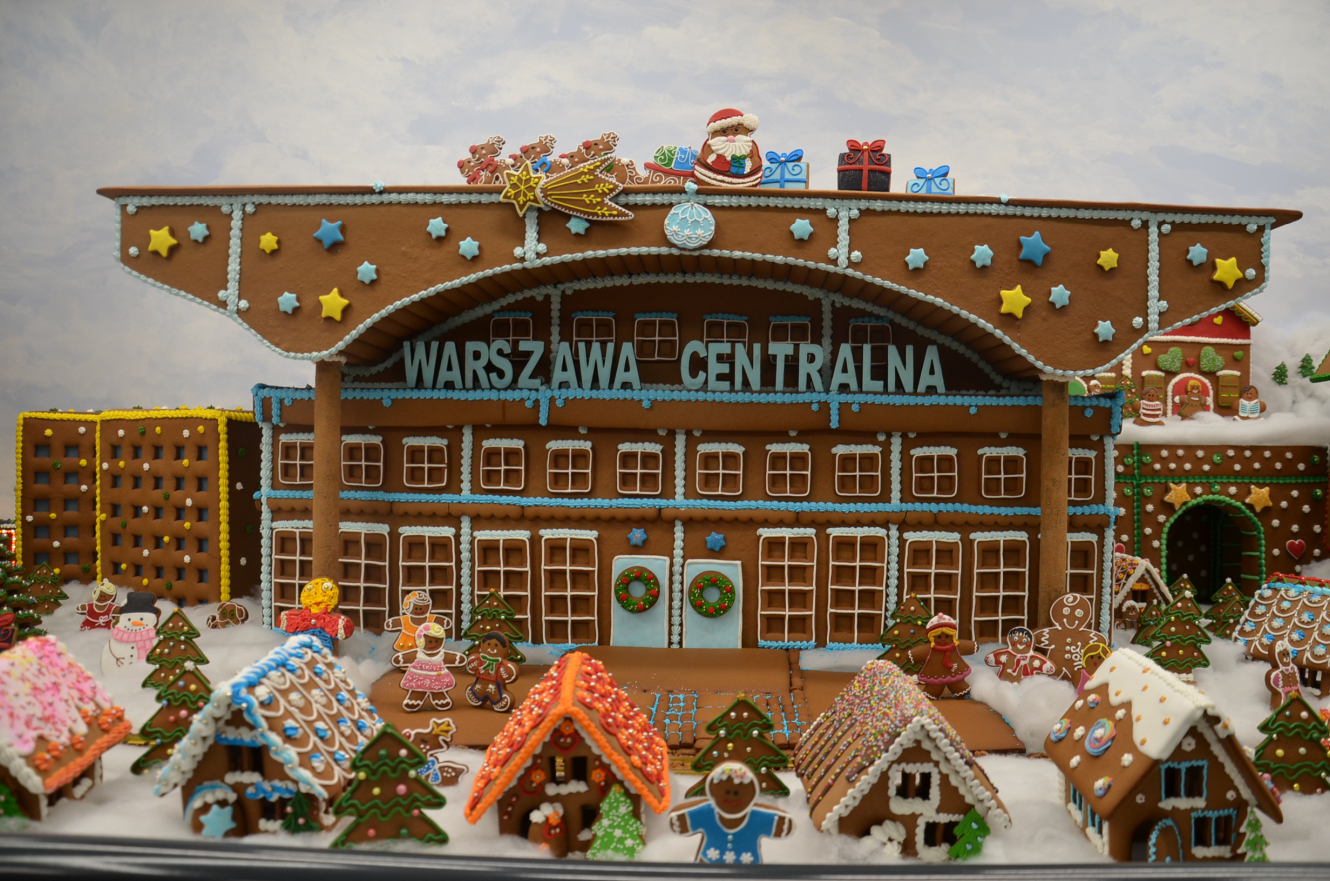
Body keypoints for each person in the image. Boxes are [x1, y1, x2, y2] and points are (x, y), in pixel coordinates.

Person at [669, 762, 792, 864]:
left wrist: (782, 824)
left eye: (737, 793)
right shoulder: (707, 812)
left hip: (748, 865)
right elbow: (684, 822)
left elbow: (779, 825)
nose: (731, 796)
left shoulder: (756, 816)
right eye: (726, 791)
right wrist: (680, 821)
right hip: (709, 863)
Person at [397, 621, 466, 712]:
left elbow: (450, 657)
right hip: (419, 677)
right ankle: (414, 700)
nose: (434, 644)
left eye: (437, 641)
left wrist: (458, 658)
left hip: (437, 677)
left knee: (438, 688)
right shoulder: (418, 654)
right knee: (418, 689)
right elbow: (407, 656)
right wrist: (400, 658)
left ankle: (440, 700)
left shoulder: (441, 654)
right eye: (430, 641)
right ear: (421, 641)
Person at [909, 613, 977, 698]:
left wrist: (974, 646)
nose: (943, 639)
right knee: (934, 686)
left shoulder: (956, 646)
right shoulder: (930, 649)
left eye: (947, 636)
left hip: (954, 673)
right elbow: (918, 653)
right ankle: (931, 692)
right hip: (936, 674)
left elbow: (968, 646)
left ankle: (961, 689)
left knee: (958, 684)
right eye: (939, 637)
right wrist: (912, 655)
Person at [693, 109, 763, 188]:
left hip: (748, 182)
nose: (731, 138)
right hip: (710, 179)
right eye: (724, 132)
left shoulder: (751, 152)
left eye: (736, 130)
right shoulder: (709, 153)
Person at [101, 590, 161, 674]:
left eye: (141, 619)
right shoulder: (116, 637)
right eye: (129, 619)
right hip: (117, 674)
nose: (134, 623)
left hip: (144, 675)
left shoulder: (153, 638)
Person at [464, 631, 520, 712]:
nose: (491, 648)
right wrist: (472, 665)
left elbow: (510, 673)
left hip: (495, 685)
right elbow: (471, 665)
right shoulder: (478, 659)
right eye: (488, 644)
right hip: (480, 683)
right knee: (478, 689)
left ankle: (499, 701)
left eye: (496, 645)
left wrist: (506, 673)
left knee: (497, 693)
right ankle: (475, 695)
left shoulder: (502, 665)